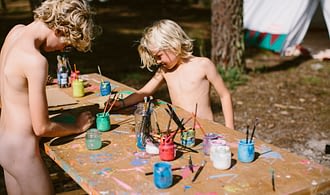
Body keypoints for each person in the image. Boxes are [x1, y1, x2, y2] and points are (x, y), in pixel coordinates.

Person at [0, 0, 98, 194]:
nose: (62, 50)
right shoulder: (36, 61)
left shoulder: (15, 32)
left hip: (5, 143)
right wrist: (77, 126)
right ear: (60, 29)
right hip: (22, 153)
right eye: (67, 44)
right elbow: (41, 127)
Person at [110, 19, 234, 130]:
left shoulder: (203, 65)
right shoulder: (164, 71)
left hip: (206, 130)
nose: (158, 61)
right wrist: (121, 103)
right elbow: (144, 92)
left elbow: (225, 95)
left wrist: (230, 129)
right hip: (180, 130)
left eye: (159, 56)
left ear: (173, 45)